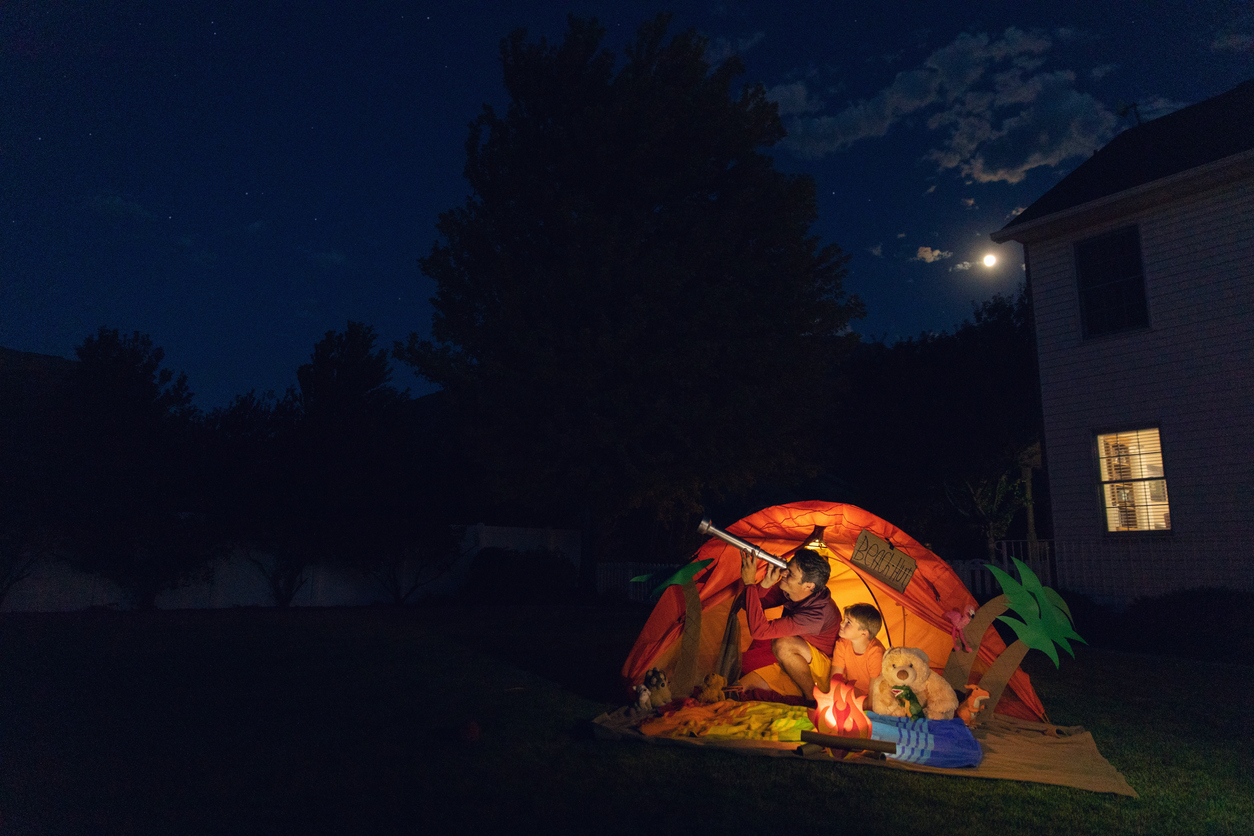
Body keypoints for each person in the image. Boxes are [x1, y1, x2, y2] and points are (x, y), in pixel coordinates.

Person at [735, 548, 840, 702]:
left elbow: (759, 631)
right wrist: (765, 584)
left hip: (821, 670)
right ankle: (799, 691)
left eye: (790, 573)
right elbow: (749, 604)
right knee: (743, 685)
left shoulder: (817, 614)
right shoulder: (791, 588)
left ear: (808, 586)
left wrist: (750, 583)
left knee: (783, 643)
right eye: (786, 569)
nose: (783, 574)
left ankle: (812, 700)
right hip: (797, 661)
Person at [829, 603, 886, 698]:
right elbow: (835, 679)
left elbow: (874, 692)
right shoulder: (841, 644)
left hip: (875, 695)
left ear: (863, 634)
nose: (841, 624)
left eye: (848, 622)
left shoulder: (875, 651)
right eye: (844, 620)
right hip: (852, 690)